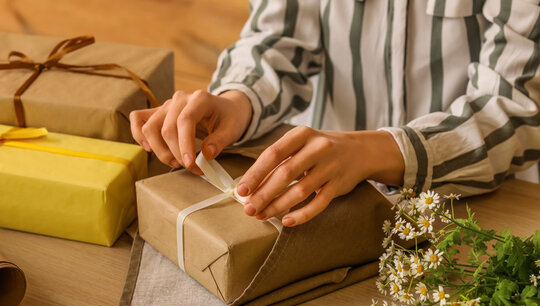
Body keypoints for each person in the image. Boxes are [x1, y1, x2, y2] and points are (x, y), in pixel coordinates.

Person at [130, 0, 540, 227]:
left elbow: (516, 108)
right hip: (323, 201)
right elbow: (278, 34)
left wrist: (375, 152)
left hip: (477, 204)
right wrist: (237, 99)